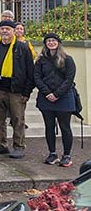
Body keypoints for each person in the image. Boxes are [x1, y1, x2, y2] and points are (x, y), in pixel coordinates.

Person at [0, 20, 35, 159]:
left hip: (16, 90)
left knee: (17, 119)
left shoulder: (22, 47)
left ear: (13, 31)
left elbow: (30, 71)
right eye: (2, 29)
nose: (5, 31)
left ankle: (19, 146)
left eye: (8, 29)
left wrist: (27, 92)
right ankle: (1, 144)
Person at [34, 33, 76, 168]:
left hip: (64, 98)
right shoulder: (40, 61)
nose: (51, 43)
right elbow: (37, 78)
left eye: (53, 40)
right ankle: (52, 153)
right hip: (46, 98)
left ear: (58, 43)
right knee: (49, 126)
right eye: (48, 41)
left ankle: (67, 155)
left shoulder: (67, 59)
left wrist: (57, 94)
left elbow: (69, 79)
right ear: (45, 44)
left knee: (65, 127)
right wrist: (47, 93)